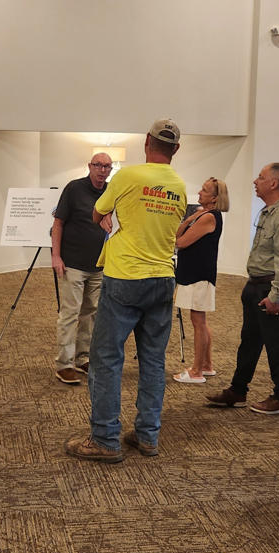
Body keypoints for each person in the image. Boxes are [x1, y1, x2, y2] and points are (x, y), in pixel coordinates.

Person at [65, 118, 186, 462]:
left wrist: (112, 215)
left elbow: (97, 213)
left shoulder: (129, 177)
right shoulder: (179, 186)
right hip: (163, 278)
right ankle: (148, 435)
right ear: (176, 149)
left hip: (125, 278)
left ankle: (104, 438)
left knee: (106, 359)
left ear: (147, 142)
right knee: (152, 361)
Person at [205, 163, 279, 414]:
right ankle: (238, 390)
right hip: (256, 286)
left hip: (271, 290)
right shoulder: (268, 212)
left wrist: (276, 296)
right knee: (248, 342)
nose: (254, 181)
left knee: (277, 345)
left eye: (260, 178)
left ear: (273, 183)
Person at [51, 152, 112, 384]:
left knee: (91, 313)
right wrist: (56, 256)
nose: (102, 170)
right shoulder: (74, 189)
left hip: (99, 265)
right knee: (70, 313)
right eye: (98, 165)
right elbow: (58, 223)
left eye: (107, 166)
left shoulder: (110, 191)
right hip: (72, 263)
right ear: (90, 166)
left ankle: (83, 357)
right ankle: (64, 364)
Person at [172, 177, 229, 384]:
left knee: (198, 322)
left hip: (198, 274)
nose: (199, 192)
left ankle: (196, 371)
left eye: (204, 190)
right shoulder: (202, 215)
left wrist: (188, 223)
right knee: (200, 321)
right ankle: (206, 365)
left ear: (214, 198)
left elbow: (180, 242)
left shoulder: (209, 217)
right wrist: (187, 220)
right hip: (193, 272)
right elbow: (179, 234)